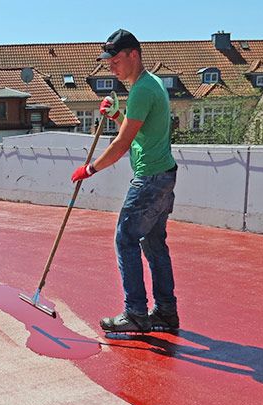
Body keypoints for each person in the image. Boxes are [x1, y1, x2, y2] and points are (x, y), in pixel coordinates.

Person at [70, 29, 179, 333]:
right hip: (165, 175)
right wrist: (118, 114)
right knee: (154, 243)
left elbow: (120, 146)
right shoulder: (150, 85)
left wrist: (90, 169)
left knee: (126, 238)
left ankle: (135, 312)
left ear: (134, 54)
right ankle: (166, 312)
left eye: (116, 61)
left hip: (150, 179)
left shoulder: (143, 89)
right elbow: (139, 133)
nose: (112, 68)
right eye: (109, 63)